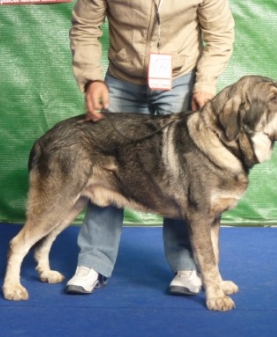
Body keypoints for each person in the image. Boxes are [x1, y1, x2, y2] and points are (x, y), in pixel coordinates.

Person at [66, 0, 235, 295]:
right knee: (104, 169)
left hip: (181, 81)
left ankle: (187, 265)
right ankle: (93, 262)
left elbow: (220, 34)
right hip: (121, 82)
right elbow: (85, 26)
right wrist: (91, 78)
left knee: (185, 177)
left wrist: (205, 83)